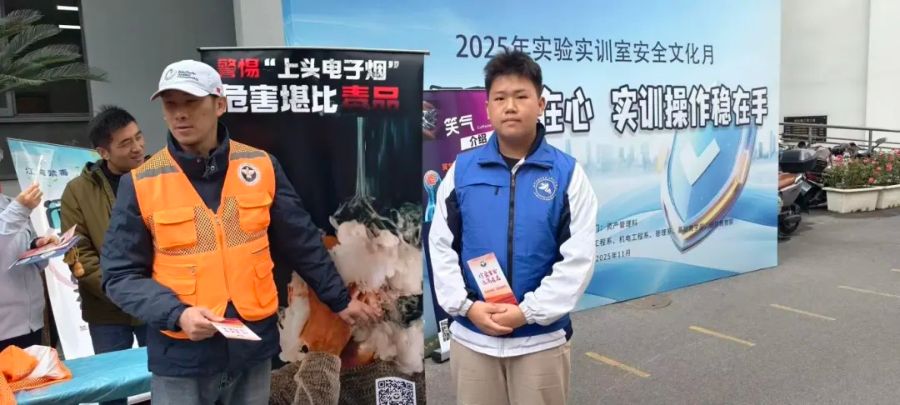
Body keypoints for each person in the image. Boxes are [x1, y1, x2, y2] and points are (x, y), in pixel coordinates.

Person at [101, 60, 380, 405]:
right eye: (171, 105)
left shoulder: (261, 166)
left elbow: (302, 240)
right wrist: (177, 313)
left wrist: (339, 299)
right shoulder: (142, 183)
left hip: (251, 349)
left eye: (191, 102)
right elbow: (119, 275)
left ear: (219, 104)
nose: (180, 114)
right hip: (182, 358)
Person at [429, 50, 598, 405]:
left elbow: (578, 259)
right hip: (473, 339)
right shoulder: (462, 171)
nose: (510, 107)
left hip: (541, 341)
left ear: (541, 104)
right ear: (487, 108)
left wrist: (527, 312)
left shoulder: (567, 174)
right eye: (500, 98)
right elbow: (441, 246)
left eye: (521, 96)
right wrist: (467, 306)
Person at [60, 105, 147, 405]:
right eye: (125, 143)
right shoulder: (77, 191)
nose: (137, 148)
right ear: (103, 152)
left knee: (169, 381)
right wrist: (120, 290)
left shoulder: (159, 176)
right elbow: (77, 251)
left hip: (157, 303)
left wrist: (151, 294)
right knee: (112, 390)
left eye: (139, 137)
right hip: (106, 310)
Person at [0, 183, 59, 352]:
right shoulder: (18, 207)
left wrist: (38, 246)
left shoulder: (12, 203)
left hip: (31, 321)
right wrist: (19, 209)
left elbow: (23, 245)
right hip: (4, 328)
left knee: (34, 369)